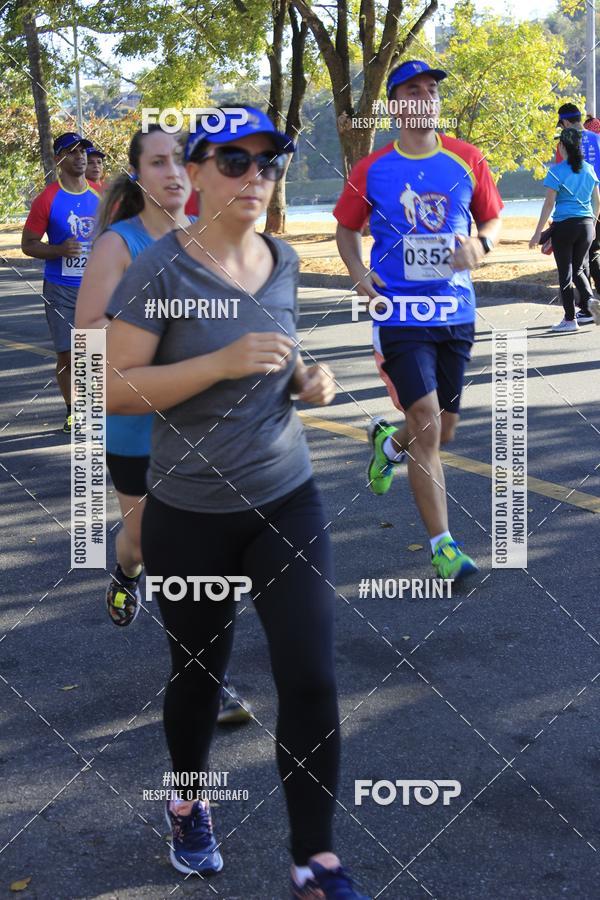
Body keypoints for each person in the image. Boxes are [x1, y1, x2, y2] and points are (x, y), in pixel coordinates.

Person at [105, 106, 370, 899]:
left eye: (269, 163)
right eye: (234, 161)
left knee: (310, 676)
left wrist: (308, 377)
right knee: (198, 676)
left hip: (286, 497)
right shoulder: (159, 270)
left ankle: (315, 863)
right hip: (190, 513)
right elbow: (115, 388)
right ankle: (188, 804)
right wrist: (219, 362)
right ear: (195, 171)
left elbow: (280, 353)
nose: (255, 177)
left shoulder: (282, 258)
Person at [75, 124, 252, 725]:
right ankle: (127, 567)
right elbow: (88, 334)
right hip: (135, 422)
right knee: (146, 544)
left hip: (200, 422)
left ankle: (208, 678)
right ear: (138, 175)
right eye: (158, 162)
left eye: (180, 160)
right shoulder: (118, 244)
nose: (172, 172)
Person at [335, 59, 503, 582]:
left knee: (442, 429)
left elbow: (492, 217)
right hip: (399, 314)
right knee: (427, 420)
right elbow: (346, 229)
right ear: (394, 105)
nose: (426, 97)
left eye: (431, 90)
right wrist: (359, 274)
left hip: (455, 311)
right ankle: (444, 548)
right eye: (413, 90)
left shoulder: (467, 158)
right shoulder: (372, 168)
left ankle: (389, 444)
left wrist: (482, 245)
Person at [21, 132, 100, 432]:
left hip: (95, 288)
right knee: (67, 354)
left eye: (83, 151)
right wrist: (59, 250)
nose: (80, 157)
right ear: (59, 159)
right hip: (60, 288)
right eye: (73, 152)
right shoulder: (47, 200)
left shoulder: (102, 196)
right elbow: (28, 244)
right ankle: (73, 412)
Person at [530, 128, 600, 332]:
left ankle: (570, 320)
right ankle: (592, 304)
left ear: (562, 146)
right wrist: (593, 224)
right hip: (586, 226)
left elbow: (548, 204)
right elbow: (597, 201)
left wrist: (537, 232)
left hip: (565, 227)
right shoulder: (589, 169)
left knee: (566, 274)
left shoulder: (557, 171)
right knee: (578, 270)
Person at [556, 102, 600, 308]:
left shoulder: (564, 143)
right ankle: (593, 302)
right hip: (597, 203)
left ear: (565, 122)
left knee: (579, 261)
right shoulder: (597, 138)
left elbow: (561, 179)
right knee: (593, 253)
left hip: (576, 209)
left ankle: (585, 306)